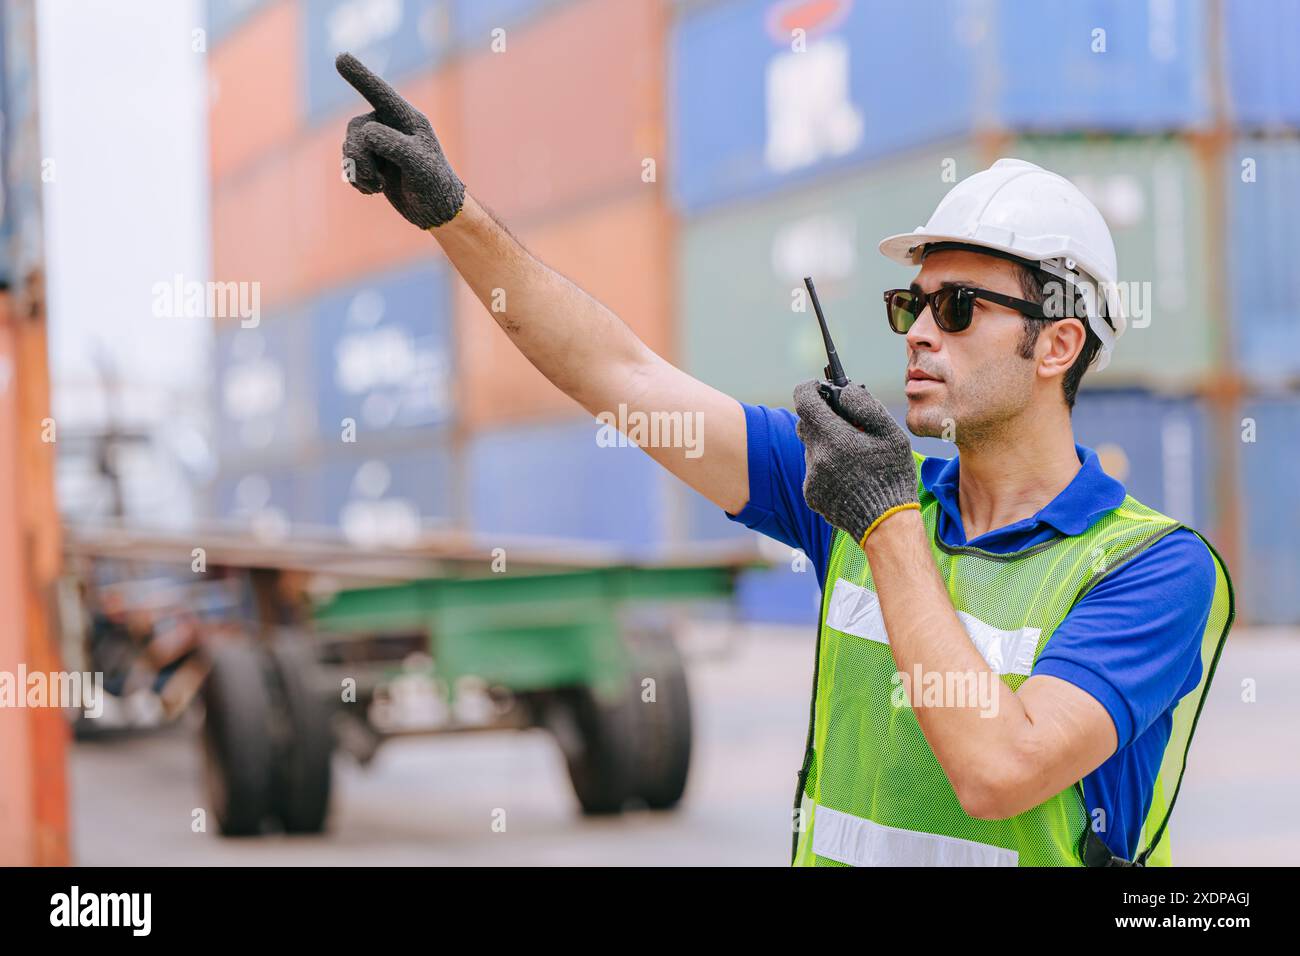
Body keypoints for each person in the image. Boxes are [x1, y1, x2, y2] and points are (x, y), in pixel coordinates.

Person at [333, 53, 1234, 867]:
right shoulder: (852, 494)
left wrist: (884, 519)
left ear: (1056, 345)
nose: (919, 334)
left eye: (957, 308)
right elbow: (621, 375)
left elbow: (999, 769)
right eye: (908, 306)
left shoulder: (1150, 569)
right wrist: (453, 214)